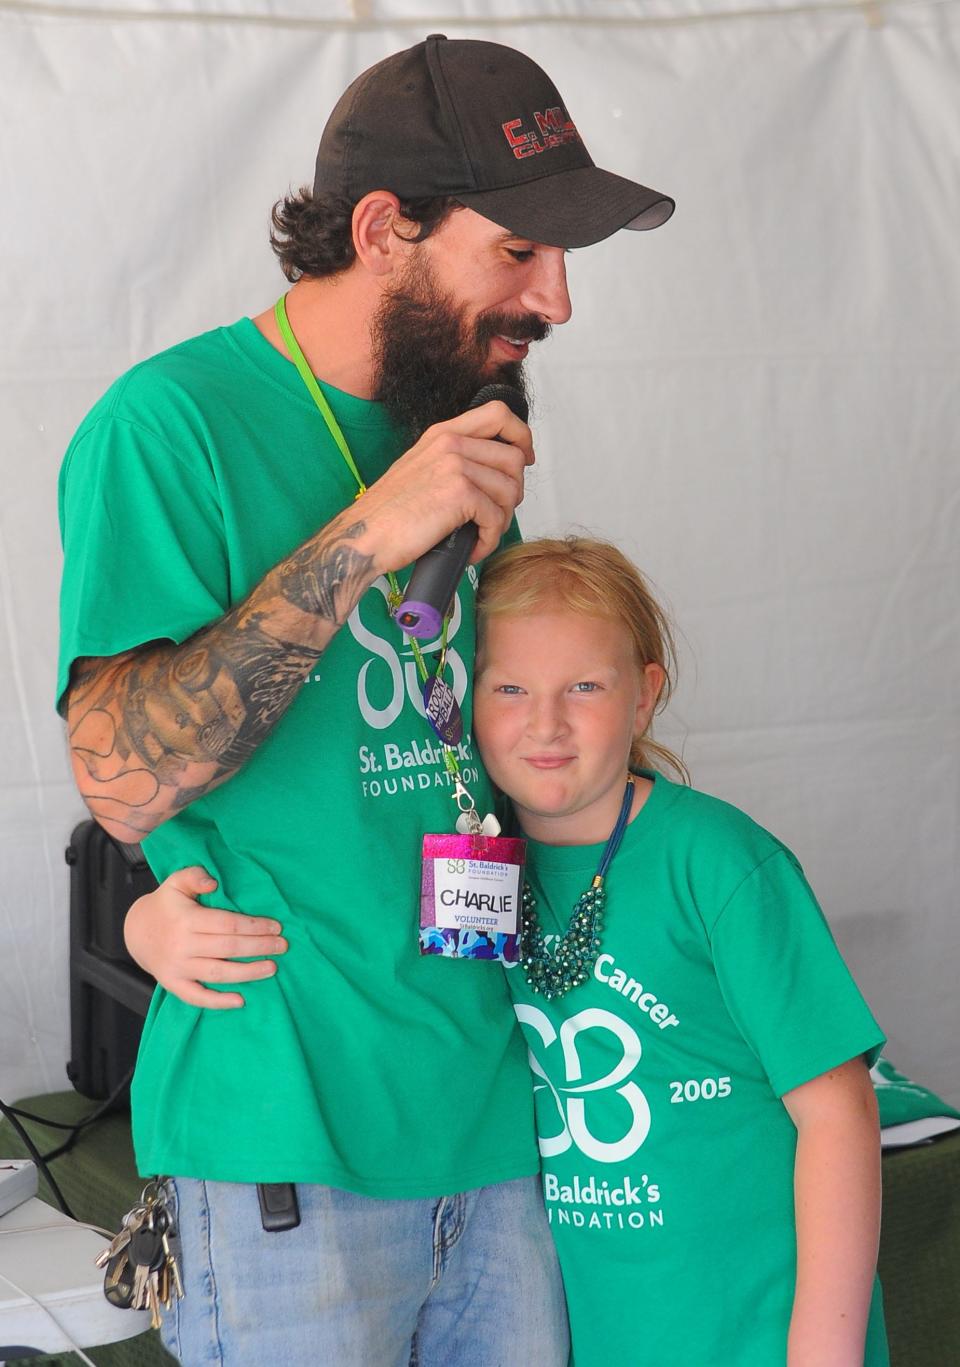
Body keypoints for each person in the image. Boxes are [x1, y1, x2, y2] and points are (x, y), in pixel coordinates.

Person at [57, 32, 674, 1367]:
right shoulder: (171, 425)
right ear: (386, 227)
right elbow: (117, 771)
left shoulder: (458, 404)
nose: (557, 299)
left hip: (501, 1116)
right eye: (519, 250)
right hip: (290, 1133)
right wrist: (362, 536)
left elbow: (493, 729)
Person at [131, 536, 890, 1366]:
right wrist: (148, 926)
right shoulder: (477, 859)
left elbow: (839, 1109)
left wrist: (826, 1344)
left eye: (585, 688)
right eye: (511, 687)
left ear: (644, 697)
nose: (546, 722)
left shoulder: (717, 863)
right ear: (460, 698)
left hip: (760, 1331)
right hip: (612, 1336)